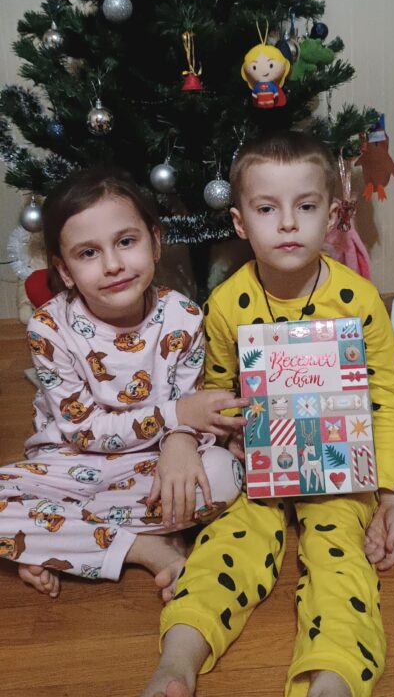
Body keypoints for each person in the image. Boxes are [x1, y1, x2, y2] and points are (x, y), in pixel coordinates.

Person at [117, 132, 394, 697]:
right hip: (259, 468)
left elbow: (384, 399)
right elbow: (214, 390)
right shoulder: (226, 305)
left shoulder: (359, 301)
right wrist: (216, 429)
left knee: (341, 558)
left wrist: (393, 494)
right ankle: (176, 668)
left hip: (339, 471)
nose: (287, 224)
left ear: (333, 215)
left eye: (305, 206)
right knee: (228, 547)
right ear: (239, 222)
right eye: (267, 209)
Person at [0, 166, 245, 598]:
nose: (113, 265)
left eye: (126, 242)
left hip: (149, 464)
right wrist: (176, 416)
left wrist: (180, 438)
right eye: (88, 253)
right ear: (66, 270)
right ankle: (142, 547)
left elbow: (188, 410)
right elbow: (83, 429)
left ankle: (54, 537)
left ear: (155, 242)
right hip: (66, 462)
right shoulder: (48, 328)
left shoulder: (183, 317)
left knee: (224, 475)